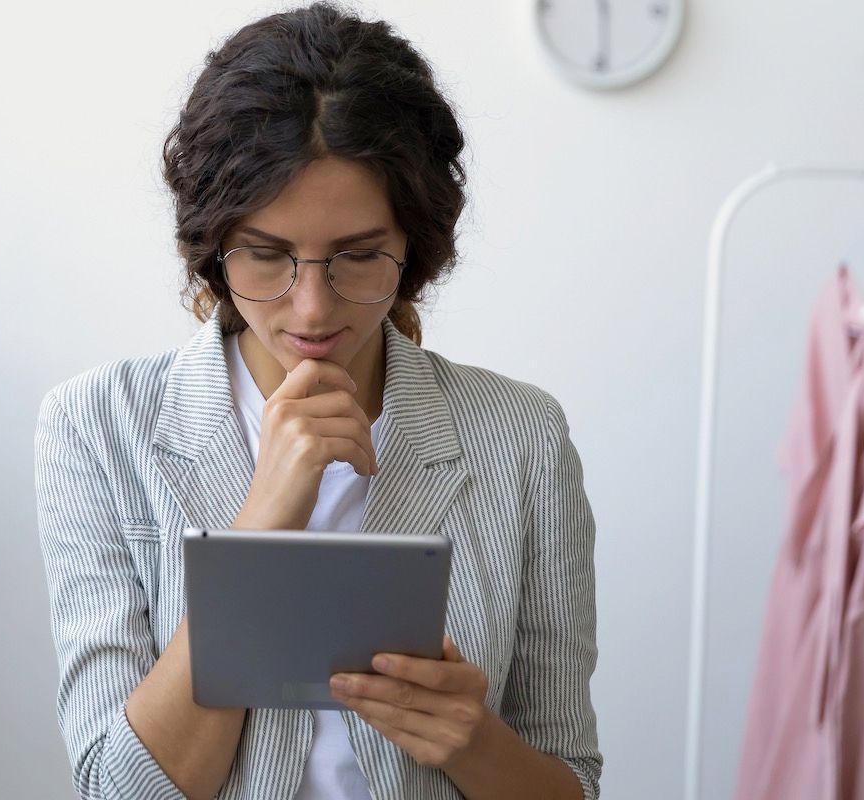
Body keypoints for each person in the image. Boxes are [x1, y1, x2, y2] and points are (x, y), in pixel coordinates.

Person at [34, 4, 601, 798]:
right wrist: (260, 528)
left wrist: (471, 742)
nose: (310, 309)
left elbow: (569, 781)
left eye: (359, 256)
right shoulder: (98, 426)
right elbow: (115, 789)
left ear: (415, 249)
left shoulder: (522, 436)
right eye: (266, 256)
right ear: (212, 247)